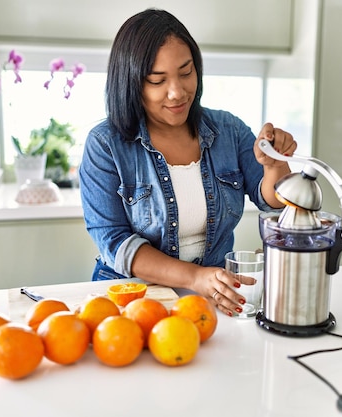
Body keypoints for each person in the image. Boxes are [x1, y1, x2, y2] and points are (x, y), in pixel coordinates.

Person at [79, 8, 297, 317]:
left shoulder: (229, 130)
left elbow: (273, 203)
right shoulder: (106, 144)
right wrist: (195, 277)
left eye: (186, 72)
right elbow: (115, 243)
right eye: (157, 80)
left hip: (212, 298)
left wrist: (275, 164)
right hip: (133, 303)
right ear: (131, 83)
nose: (178, 92)